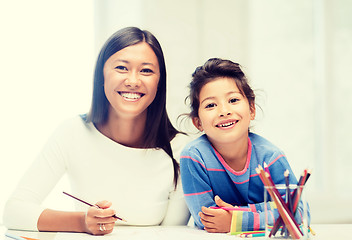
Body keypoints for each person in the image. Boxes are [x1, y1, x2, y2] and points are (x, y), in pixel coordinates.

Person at [3, 27, 190, 235]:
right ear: (101, 75)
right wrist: (82, 222)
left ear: (159, 82)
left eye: (146, 70)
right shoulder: (72, 132)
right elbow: (14, 212)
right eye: (121, 68)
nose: (133, 81)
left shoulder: (182, 151)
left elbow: (175, 234)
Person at [180, 58, 308, 233]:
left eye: (233, 100)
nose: (224, 111)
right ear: (198, 122)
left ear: (252, 109)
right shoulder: (194, 156)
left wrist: (236, 219)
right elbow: (207, 219)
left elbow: (299, 212)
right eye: (211, 105)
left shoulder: (270, 157)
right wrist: (269, 209)